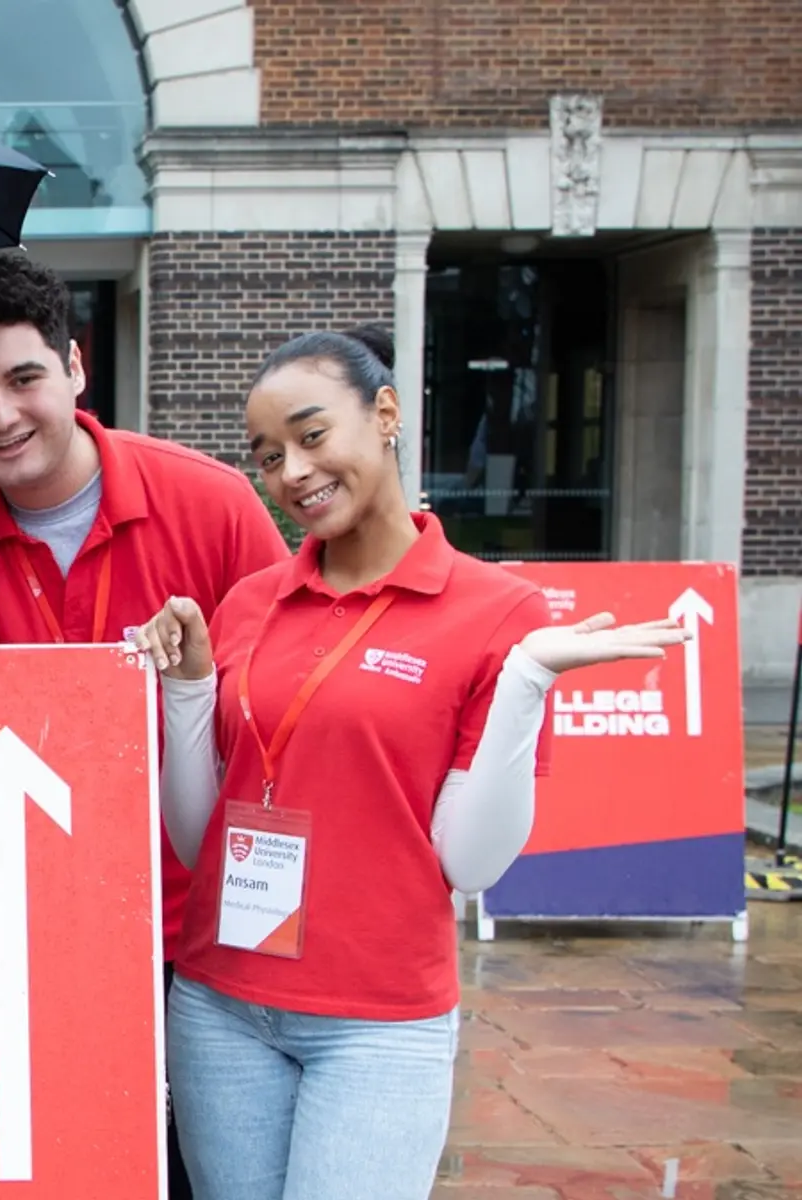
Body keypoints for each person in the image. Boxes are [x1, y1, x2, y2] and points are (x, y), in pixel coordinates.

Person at [130, 328, 682, 1200]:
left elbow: (470, 861)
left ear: (385, 414)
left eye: (313, 437)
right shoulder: (248, 603)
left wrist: (529, 680)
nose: (293, 474)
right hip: (220, 1004)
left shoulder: (500, 612)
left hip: (378, 1022)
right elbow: (201, 840)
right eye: (269, 457)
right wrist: (191, 689)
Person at [0, 251, 288, 1199]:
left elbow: (280, 705)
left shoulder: (214, 504)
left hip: (199, 933)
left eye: (24, 378)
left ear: (75, 366)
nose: (2, 416)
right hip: (14, 926)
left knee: (204, 1174)